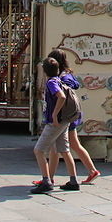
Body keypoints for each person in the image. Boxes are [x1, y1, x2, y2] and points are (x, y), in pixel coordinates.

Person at [46, 49, 100, 185]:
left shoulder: (62, 77)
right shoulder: (67, 74)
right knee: (73, 145)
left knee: (57, 147)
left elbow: (65, 92)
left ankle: (49, 177)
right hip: (69, 115)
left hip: (64, 116)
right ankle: (92, 170)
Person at [30, 57, 80, 194]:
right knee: (64, 150)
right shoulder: (58, 79)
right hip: (64, 121)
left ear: (45, 71)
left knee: (39, 150)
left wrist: (54, 114)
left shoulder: (51, 82)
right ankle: (73, 180)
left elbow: (61, 96)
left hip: (55, 122)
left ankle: (46, 180)